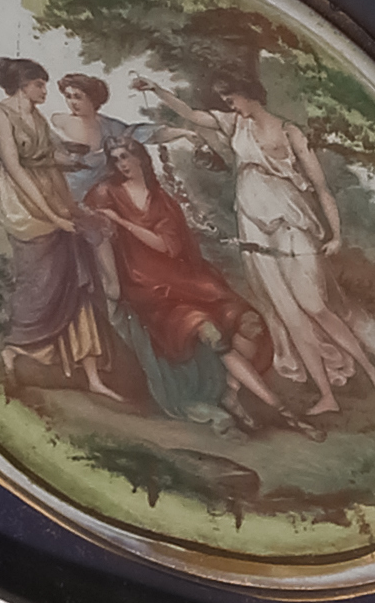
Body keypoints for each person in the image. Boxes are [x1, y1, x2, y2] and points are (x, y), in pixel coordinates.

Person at [135, 74, 375, 416]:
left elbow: (320, 187)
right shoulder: (234, 124)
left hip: (290, 221)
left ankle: (373, 374)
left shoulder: (289, 132)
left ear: (249, 94)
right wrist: (156, 90)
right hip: (253, 224)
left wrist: (336, 235)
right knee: (289, 315)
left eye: (232, 98)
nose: (230, 105)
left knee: (314, 306)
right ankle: (326, 396)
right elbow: (191, 114)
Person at [80, 138, 306, 435]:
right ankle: (283, 410)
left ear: (140, 158)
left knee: (249, 323)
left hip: (186, 280)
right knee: (210, 333)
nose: (122, 164)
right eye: (116, 158)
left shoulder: (162, 201)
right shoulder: (105, 193)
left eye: (126, 156)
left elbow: (166, 247)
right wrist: (110, 281)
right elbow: (88, 229)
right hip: (149, 289)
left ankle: (231, 395)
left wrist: (122, 221)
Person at [0, 58, 114, 397]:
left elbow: (47, 157)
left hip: (52, 192)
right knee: (39, 282)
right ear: (23, 84)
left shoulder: (36, 117)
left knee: (76, 270)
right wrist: (53, 217)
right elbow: (16, 168)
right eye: (39, 84)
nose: (44, 90)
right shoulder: (1, 114)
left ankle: (91, 374)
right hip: (25, 206)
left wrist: (77, 163)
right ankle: (16, 349)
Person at [43, 71, 132, 206]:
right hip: (65, 195)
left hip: (101, 198)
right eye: (68, 96)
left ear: (93, 99)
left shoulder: (112, 127)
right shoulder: (57, 123)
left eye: (78, 97)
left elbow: (148, 133)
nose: (72, 102)